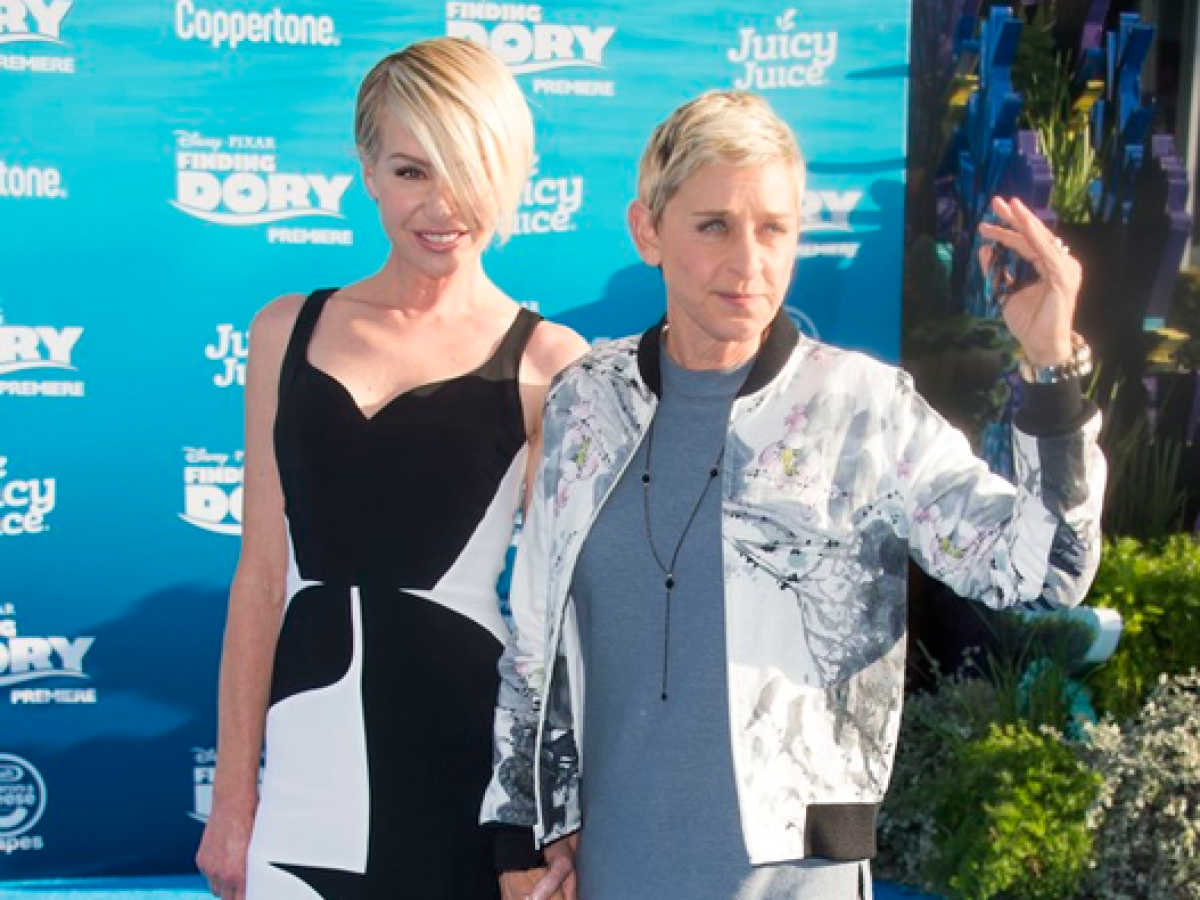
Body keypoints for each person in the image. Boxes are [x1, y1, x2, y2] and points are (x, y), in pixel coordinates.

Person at [482, 90, 1106, 900]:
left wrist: (1052, 372)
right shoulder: (586, 401)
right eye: (715, 226)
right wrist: (521, 829)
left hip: (797, 880)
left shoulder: (861, 411)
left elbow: (1045, 573)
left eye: (774, 228)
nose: (749, 262)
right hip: (611, 872)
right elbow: (535, 637)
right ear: (648, 231)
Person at [195, 37, 588, 900]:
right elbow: (259, 579)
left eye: (467, 171)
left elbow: (558, 621)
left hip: (465, 768)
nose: (440, 205)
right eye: (412, 171)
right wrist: (232, 798)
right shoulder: (284, 331)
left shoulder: (551, 362)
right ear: (367, 170)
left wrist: (547, 818)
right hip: (303, 770)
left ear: (509, 176)